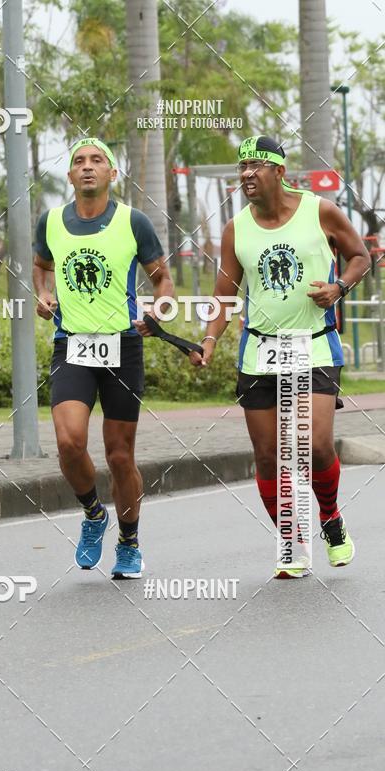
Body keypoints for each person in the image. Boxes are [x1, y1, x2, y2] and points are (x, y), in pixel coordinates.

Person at [191, 135, 370, 578]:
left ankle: (329, 517)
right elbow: (224, 293)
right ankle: (291, 541)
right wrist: (209, 340)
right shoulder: (237, 228)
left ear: (279, 172)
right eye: (242, 168)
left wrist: (339, 287)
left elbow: (360, 257)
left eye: (256, 166)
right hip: (259, 353)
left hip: (313, 344)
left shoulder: (320, 210)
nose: (247, 174)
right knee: (269, 454)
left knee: (315, 444)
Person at [33, 138, 174, 578]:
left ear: (114, 174)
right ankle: (94, 513)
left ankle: (129, 541)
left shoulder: (134, 222)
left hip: (122, 347)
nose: (87, 167)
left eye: (97, 161)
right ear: (70, 175)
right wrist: (43, 292)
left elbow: (163, 280)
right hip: (72, 344)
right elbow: (41, 265)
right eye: (79, 161)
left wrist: (157, 311)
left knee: (118, 456)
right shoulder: (51, 221)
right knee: (69, 442)